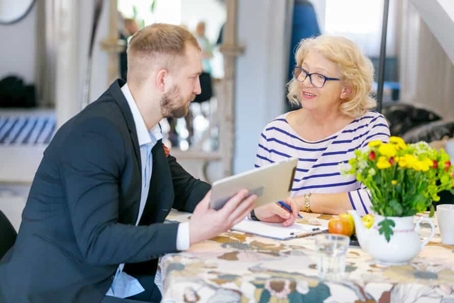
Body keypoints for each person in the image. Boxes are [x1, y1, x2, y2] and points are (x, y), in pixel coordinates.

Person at [0, 24, 298, 303]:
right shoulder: (96, 134)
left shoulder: (139, 126)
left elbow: (185, 188)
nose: (198, 88)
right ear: (163, 79)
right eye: (193, 77)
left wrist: (251, 204)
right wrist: (191, 232)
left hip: (112, 278)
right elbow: (99, 242)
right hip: (62, 291)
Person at [255, 35, 390, 216]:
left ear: (346, 89)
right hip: (282, 241)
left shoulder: (369, 128)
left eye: (319, 76)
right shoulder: (275, 132)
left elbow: (379, 197)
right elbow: (257, 205)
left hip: (340, 240)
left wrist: (304, 201)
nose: (305, 82)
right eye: (304, 72)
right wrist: (258, 210)